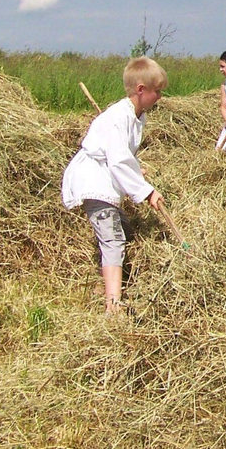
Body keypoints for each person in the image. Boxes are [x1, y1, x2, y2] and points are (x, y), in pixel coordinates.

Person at [61, 56, 170, 315]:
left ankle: (104, 284)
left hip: (106, 178)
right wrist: (147, 192)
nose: (160, 97)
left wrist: (136, 168)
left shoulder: (136, 116)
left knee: (123, 227)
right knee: (113, 238)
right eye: (157, 91)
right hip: (94, 181)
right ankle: (113, 304)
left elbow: (123, 156)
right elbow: (118, 160)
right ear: (141, 90)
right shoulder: (117, 117)